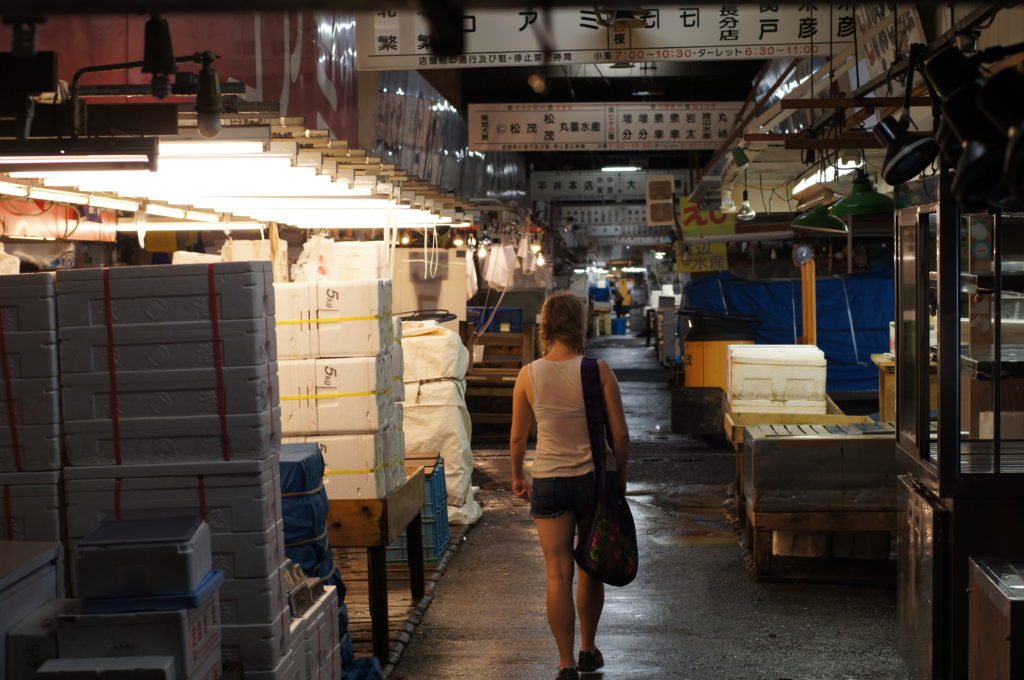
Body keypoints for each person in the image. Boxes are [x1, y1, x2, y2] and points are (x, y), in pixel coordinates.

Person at [509, 292, 631, 680]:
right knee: (590, 567)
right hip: (595, 481)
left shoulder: (528, 374)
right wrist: (621, 477)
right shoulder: (599, 370)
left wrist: (517, 475)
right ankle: (587, 649)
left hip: (549, 479)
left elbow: (517, 439)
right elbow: (621, 435)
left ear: (545, 327)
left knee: (557, 574)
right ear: (581, 325)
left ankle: (564, 663)